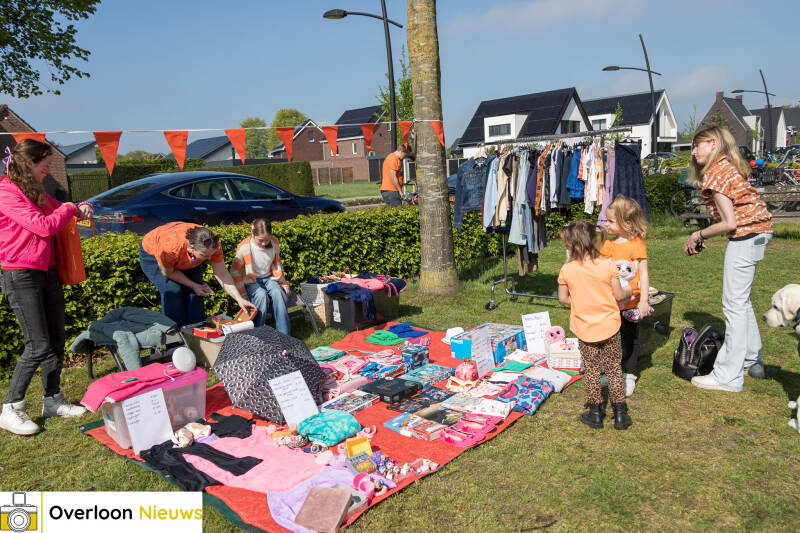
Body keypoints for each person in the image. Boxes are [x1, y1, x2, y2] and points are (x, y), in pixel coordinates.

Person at [0, 139, 94, 435]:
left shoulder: (36, 191)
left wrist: (81, 207)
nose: (49, 169)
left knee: (56, 339)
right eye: (46, 164)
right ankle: (11, 408)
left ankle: (53, 399)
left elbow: (63, 211)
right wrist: (68, 208)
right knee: (37, 344)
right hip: (21, 275)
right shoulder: (6, 192)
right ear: (30, 163)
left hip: (48, 271)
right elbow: (43, 225)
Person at [684, 126, 773, 392]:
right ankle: (751, 358)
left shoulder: (716, 171)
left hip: (746, 237)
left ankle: (728, 376)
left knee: (733, 306)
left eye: (697, 145)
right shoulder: (727, 166)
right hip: (759, 232)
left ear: (712, 143)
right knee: (741, 302)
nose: (693, 151)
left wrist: (698, 234)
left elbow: (728, 222)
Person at [558, 220, 633, 430]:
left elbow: (563, 298)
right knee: (614, 369)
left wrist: (583, 301)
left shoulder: (567, 270)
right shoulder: (608, 264)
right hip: (610, 326)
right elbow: (619, 294)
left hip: (585, 329)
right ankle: (620, 414)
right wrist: (629, 292)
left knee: (592, 370)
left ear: (571, 245)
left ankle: (595, 413)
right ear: (594, 241)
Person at [139, 222, 255, 327]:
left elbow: (222, 273)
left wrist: (239, 299)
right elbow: (169, 273)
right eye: (205, 255)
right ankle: (175, 340)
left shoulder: (212, 244)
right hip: (153, 254)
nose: (209, 258)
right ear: (191, 247)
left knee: (197, 293)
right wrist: (193, 285)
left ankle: (197, 334)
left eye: (211, 254)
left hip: (188, 256)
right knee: (173, 291)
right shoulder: (170, 247)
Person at [600, 195, 651, 397]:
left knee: (630, 338)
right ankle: (614, 371)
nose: (606, 224)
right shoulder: (608, 245)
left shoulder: (637, 244)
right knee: (611, 338)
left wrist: (644, 300)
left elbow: (644, 274)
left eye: (611, 221)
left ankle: (629, 374)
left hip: (631, 303)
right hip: (612, 302)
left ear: (626, 222)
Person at [229, 218, 291, 335]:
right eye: (260, 240)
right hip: (251, 281)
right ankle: (257, 334)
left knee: (279, 293)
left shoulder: (274, 242)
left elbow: (277, 264)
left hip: (269, 278)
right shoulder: (244, 247)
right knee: (261, 295)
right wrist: (242, 295)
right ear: (253, 234)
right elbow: (235, 271)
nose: (264, 243)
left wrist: (283, 283)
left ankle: (284, 335)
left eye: (267, 240)